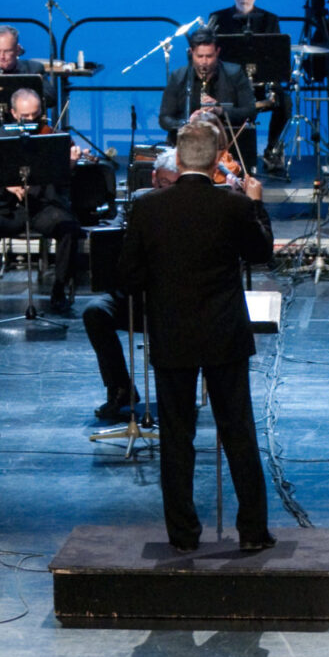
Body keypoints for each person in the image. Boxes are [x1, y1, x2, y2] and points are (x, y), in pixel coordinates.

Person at [118, 121, 275, 552]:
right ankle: (253, 532)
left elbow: (128, 276)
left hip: (172, 334)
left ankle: (183, 536)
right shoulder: (234, 205)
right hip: (225, 333)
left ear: (180, 156)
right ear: (217, 158)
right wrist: (257, 205)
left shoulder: (148, 207)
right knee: (238, 432)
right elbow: (261, 254)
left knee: (176, 437)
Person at [84, 151, 177, 422]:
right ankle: (120, 388)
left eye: (174, 184)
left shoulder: (188, 208)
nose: (167, 190)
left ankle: (175, 396)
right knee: (95, 311)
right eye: (163, 183)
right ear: (154, 178)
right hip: (135, 294)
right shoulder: (137, 201)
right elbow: (114, 234)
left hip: (173, 300)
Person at [0, 89, 83, 311]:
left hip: (42, 208)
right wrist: (7, 184)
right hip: (8, 210)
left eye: (35, 115)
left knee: (69, 228)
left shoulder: (53, 137)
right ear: (13, 113)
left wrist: (71, 163)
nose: (31, 121)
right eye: (25, 116)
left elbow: (63, 181)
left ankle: (59, 291)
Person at [206, 0, 291, 174]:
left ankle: (272, 150)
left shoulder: (270, 19)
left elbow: (275, 58)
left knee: (285, 102)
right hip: (229, 85)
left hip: (260, 84)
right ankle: (221, 153)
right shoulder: (217, 18)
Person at [157, 28, 258, 165]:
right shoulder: (179, 77)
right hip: (187, 148)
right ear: (191, 52)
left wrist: (220, 110)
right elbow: (164, 119)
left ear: (217, 52)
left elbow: (250, 112)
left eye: (209, 56)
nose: (204, 62)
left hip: (226, 149)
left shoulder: (234, 74)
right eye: (199, 56)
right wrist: (187, 122)